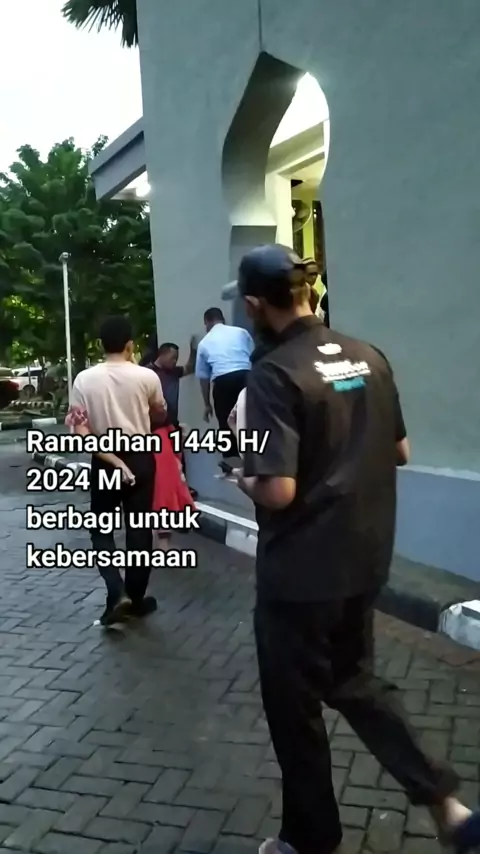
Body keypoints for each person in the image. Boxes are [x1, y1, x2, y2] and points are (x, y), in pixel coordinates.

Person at [232, 245, 480, 854]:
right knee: (355, 683)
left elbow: (278, 489)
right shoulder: (369, 356)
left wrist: (241, 476)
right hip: (364, 559)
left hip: (300, 575)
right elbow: (400, 451)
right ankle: (449, 808)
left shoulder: (274, 373)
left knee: (294, 709)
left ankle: (309, 840)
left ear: (255, 305)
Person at [65, 315, 167, 626]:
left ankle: (116, 591)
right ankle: (135, 599)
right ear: (130, 345)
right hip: (141, 458)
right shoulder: (147, 377)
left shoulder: (84, 380)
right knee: (139, 528)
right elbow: (159, 413)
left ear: (100, 345)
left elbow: (81, 432)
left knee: (101, 529)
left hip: (105, 460)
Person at [146, 340, 197, 549]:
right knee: (163, 479)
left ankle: (177, 513)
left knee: (178, 472)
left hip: (171, 428)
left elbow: (189, 368)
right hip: (153, 431)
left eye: (176, 358)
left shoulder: (173, 373)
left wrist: (193, 350)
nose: (175, 361)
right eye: (172, 357)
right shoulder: (147, 374)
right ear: (162, 354)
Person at [195, 307, 253, 459]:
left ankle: (231, 461)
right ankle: (254, 458)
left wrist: (207, 404)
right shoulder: (241, 332)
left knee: (226, 424)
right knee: (250, 419)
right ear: (223, 319)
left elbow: (203, 378)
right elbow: (255, 357)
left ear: (207, 322)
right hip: (246, 377)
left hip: (223, 382)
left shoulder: (204, 343)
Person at [304, 257, 329, 324]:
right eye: (311, 274)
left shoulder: (315, 294)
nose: (314, 277)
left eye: (315, 274)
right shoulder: (297, 293)